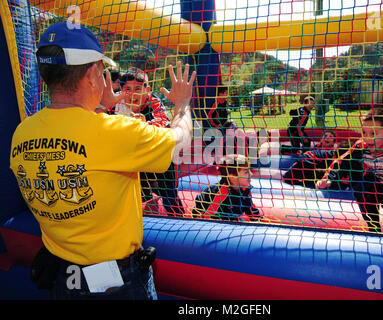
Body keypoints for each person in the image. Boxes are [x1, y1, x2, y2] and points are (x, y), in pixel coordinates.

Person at [9, 22, 196, 300]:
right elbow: (180, 141)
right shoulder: (114, 131)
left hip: (63, 273)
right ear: (90, 75)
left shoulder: (23, 132)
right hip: (112, 279)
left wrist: (100, 106)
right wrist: (182, 104)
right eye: (100, 69)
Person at [117, 69, 184, 216]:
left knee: (168, 192)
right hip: (135, 157)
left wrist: (144, 125)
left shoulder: (153, 101)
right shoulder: (116, 104)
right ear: (121, 91)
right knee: (139, 190)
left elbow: (163, 121)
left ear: (147, 91)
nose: (133, 94)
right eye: (127, 89)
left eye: (138, 89)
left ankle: (178, 216)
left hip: (161, 153)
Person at [191, 154, 261, 222]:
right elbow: (207, 217)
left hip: (232, 218)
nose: (251, 174)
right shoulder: (220, 194)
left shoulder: (244, 190)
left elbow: (251, 211)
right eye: (246, 172)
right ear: (232, 176)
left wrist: (259, 221)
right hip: (213, 220)